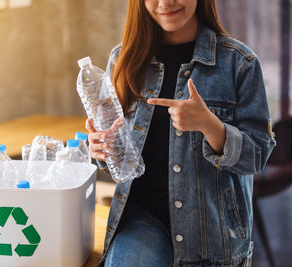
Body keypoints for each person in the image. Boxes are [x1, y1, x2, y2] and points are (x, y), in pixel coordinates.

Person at [85, 0, 276, 266]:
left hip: (212, 235)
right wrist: (100, 150)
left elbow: (257, 157)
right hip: (142, 220)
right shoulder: (123, 59)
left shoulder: (239, 63)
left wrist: (211, 126)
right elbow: (116, 154)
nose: (166, 3)